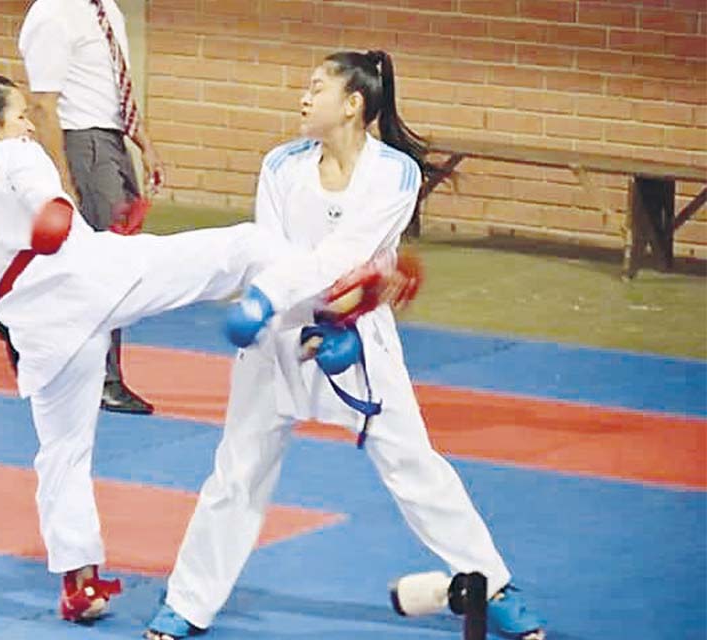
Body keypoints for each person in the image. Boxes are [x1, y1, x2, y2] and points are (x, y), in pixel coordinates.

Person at [0, 48, 416, 626]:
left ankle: (79, 583)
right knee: (245, 248)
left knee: (61, 454)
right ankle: (337, 310)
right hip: (90, 282)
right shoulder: (12, 155)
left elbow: (5, 263)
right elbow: (47, 203)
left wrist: (76, 235)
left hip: (40, 328)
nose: (30, 124)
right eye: (21, 115)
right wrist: (62, 217)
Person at [143, 51, 546, 640]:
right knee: (238, 472)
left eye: (315, 88)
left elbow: (350, 255)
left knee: (413, 464)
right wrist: (271, 304)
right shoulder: (280, 166)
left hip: (358, 334)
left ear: (353, 103)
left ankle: (491, 584)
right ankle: (188, 601)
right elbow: (270, 249)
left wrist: (296, 306)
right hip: (279, 335)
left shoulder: (395, 174)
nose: (302, 98)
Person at [19, 0, 163, 415]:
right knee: (104, 264)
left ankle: (68, 361)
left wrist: (144, 144)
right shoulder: (52, 13)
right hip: (80, 143)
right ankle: (100, 378)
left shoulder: (106, 9)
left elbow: (117, 87)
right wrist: (62, 177)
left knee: (113, 256)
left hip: (109, 140)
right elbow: (44, 104)